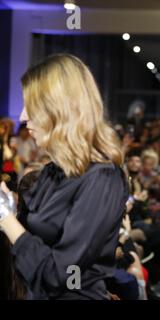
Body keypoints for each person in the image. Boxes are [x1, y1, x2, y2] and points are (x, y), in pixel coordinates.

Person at [0, 54, 128, 300]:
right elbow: (27, 244)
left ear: (60, 109)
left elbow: (60, 275)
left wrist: (6, 218)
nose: (23, 116)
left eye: (32, 106)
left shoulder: (102, 178)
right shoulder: (52, 172)